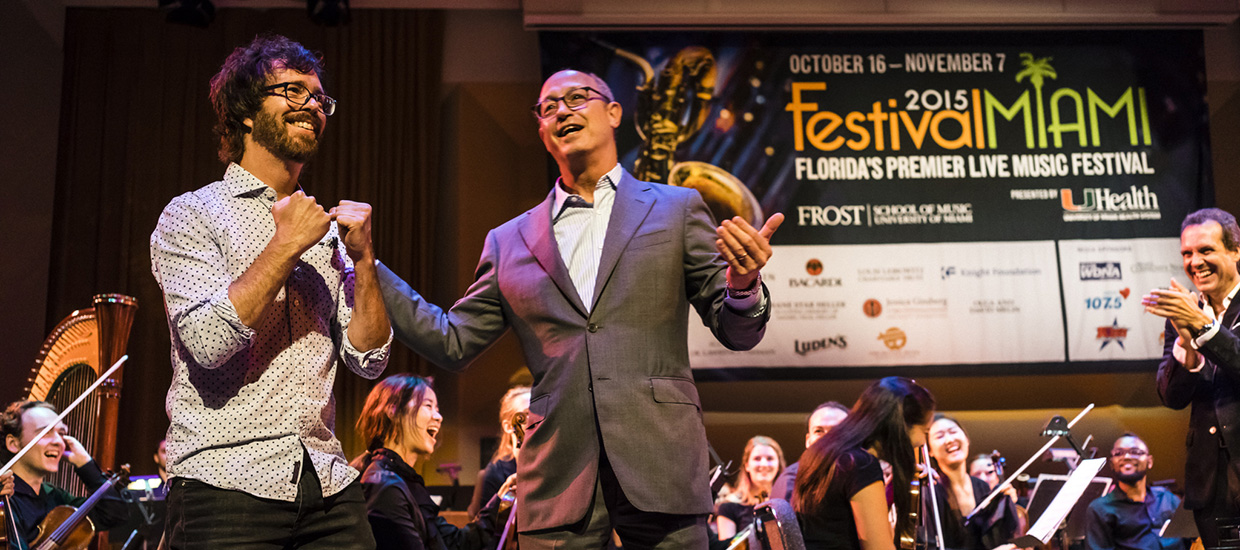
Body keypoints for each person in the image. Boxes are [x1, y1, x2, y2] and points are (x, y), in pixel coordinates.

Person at [376, 69, 784, 550]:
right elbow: (452, 341)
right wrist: (366, 266)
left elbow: (737, 330)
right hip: (558, 477)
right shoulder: (508, 241)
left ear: (614, 113)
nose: (562, 111)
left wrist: (743, 284)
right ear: (542, 131)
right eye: (548, 107)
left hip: (661, 462)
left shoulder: (677, 209)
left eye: (576, 98)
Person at [149, 34, 392, 550]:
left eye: (319, 97)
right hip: (225, 483)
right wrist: (284, 246)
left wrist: (366, 261)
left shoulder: (328, 232)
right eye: (293, 91)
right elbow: (208, 343)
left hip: (327, 482)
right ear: (244, 113)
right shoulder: (193, 213)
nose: (312, 106)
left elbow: (369, 359)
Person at [1144, 207, 1240, 549]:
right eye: (1187, 253)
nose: (1195, 261)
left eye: (1206, 250)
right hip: (1209, 484)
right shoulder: (1183, 312)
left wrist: (1203, 327)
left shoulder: (1192, 313)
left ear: (1235, 251)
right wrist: (1186, 346)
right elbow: (1171, 396)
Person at [354, 374, 503, 550]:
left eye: (437, 408)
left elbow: (456, 543)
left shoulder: (407, 483)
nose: (439, 417)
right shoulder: (384, 485)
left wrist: (501, 500)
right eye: (428, 405)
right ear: (393, 410)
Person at [792, 377, 936, 550]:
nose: (922, 442)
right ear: (900, 427)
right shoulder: (859, 464)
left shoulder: (827, 455)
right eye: (925, 431)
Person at [0, 400, 127, 549]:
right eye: (45, 432)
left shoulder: (56, 498)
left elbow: (114, 514)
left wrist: (86, 465)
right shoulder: (4, 499)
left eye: (61, 433)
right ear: (13, 443)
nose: (58, 441)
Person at [926, 415, 1022, 550]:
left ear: (966, 439)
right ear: (929, 451)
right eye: (939, 436)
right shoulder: (930, 492)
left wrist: (1005, 505)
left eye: (953, 432)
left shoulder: (981, 487)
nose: (949, 439)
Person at [1084, 434, 1187, 550]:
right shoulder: (1099, 509)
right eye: (1119, 453)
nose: (1127, 456)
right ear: (1112, 464)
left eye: (1135, 451)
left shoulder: (1169, 499)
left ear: (1150, 461)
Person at [469, 386, 531, 518]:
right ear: (508, 427)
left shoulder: (548, 461)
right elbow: (488, 527)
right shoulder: (496, 472)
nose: (534, 421)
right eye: (526, 414)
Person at [773, 401, 850, 501]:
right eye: (818, 431)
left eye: (836, 430)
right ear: (808, 441)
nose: (827, 437)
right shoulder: (791, 481)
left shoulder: (862, 474)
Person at [714, 436, 785, 541]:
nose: (764, 464)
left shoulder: (787, 504)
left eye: (770, 458)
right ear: (747, 465)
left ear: (778, 464)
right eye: (757, 458)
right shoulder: (728, 507)